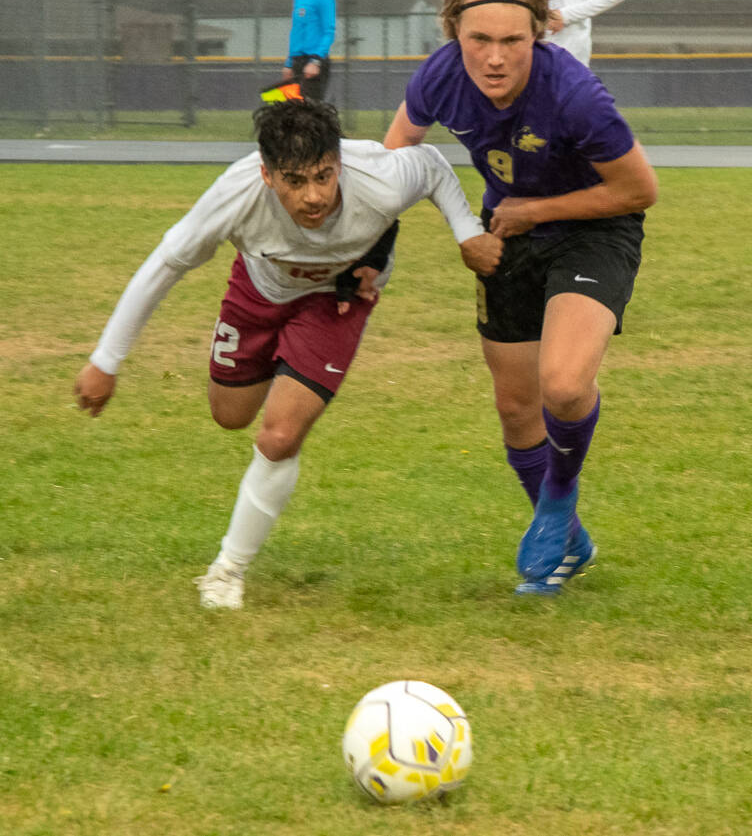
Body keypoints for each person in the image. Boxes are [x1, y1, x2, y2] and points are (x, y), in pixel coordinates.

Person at [74, 92, 502, 610]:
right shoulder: (233, 195)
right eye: (295, 182)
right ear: (267, 175)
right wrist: (106, 360)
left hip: (334, 300)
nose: (314, 196)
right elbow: (164, 266)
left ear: (339, 163)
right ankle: (276, 362)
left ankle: (227, 570)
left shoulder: (378, 176)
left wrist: (466, 234)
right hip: (257, 292)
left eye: (323, 176)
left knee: (279, 435)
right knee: (229, 415)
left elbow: (432, 165)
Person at [384, 0, 657, 596]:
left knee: (562, 386)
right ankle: (570, 544)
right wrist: (370, 260)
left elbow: (639, 190)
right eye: (479, 40)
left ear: (539, 35)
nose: (496, 58)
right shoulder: (440, 76)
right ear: (455, 35)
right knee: (515, 409)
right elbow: (391, 164)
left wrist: (536, 210)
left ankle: (558, 501)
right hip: (509, 231)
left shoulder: (574, 95)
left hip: (595, 228)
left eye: (513, 40)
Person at [278, 0, 336, 101]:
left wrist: (316, 62)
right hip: (297, 62)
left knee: (310, 115)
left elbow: (329, 32)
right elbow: (296, 33)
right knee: (289, 110)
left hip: (313, 63)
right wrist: (289, 64)